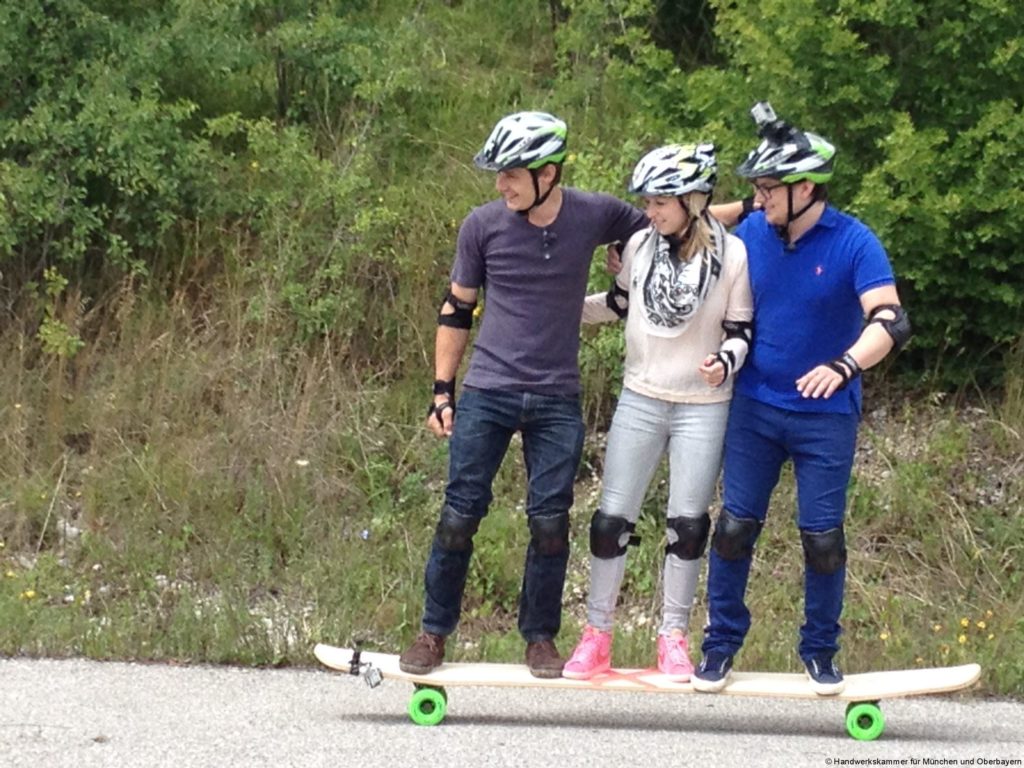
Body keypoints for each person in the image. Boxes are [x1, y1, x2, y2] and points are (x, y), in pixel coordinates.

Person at [399, 111, 649, 679]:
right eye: (499, 173)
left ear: (549, 173)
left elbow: (668, 220)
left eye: (511, 173)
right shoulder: (481, 225)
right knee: (459, 515)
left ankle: (539, 639)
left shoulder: (594, 213)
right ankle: (432, 633)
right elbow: (456, 309)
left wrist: (630, 256)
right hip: (489, 389)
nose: (500, 184)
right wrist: (443, 391)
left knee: (550, 523)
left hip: (556, 395)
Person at [692, 102, 911, 695]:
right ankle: (720, 646)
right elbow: (692, 224)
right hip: (755, 407)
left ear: (806, 187)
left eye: (769, 189)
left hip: (825, 416)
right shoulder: (754, 231)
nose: (759, 200)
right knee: (735, 528)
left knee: (822, 540)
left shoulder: (854, 242)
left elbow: (890, 320)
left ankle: (820, 651)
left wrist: (844, 365)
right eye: (756, 191)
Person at [559, 143, 753, 681]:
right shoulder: (641, 246)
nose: (650, 211)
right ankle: (597, 634)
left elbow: (741, 330)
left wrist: (724, 362)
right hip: (641, 395)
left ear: (692, 200)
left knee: (687, 524)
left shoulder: (731, 257)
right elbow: (620, 303)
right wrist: (557, 310)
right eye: (647, 201)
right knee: (609, 519)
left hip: (703, 405)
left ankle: (672, 636)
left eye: (661, 201)